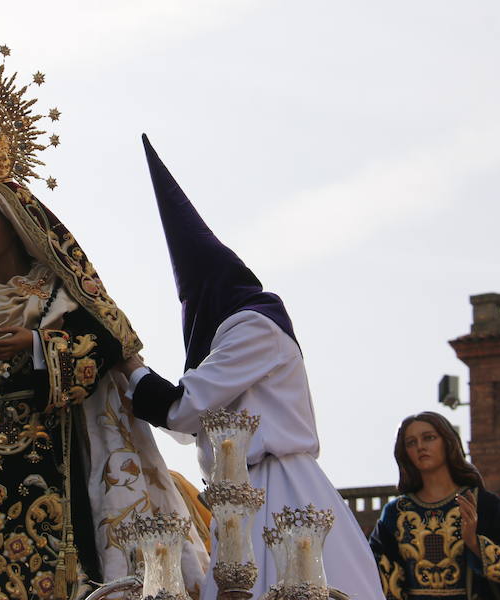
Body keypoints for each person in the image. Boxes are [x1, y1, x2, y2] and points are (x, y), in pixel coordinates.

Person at [0, 182, 209, 600]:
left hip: (46, 471)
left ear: (13, 221)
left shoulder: (57, 294)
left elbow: (104, 347)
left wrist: (35, 347)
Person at [117, 135, 384, 600]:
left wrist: (130, 365)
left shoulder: (253, 327)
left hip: (278, 493)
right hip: (238, 497)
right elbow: (190, 425)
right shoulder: (240, 330)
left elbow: (184, 408)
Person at [369, 411, 500, 600]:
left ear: (447, 442)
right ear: (405, 452)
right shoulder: (396, 513)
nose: (420, 447)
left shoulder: (484, 505)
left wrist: (474, 542)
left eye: (429, 438)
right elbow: (374, 572)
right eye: (411, 442)